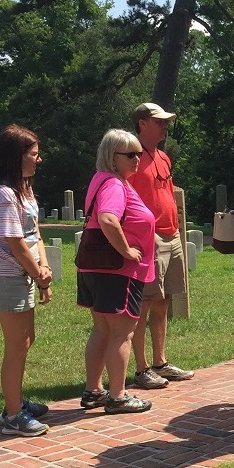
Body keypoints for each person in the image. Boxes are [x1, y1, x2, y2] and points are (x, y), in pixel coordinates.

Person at [0, 124, 53, 436]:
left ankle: (16, 401)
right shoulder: (6, 194)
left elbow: (34, 232)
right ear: (16, 157)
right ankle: (12, 416)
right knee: (16, 346)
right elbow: (14, 241)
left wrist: (44, 270)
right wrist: (39, 273)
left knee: (26, 341)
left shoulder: (24, 189)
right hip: (8, 277)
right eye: (33, 155)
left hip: (24, 276)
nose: (39, 160)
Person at [76, 129, 156, 414]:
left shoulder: (102, 180)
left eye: (139, 153)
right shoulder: (114, 184)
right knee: (123, 332)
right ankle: (118, 396)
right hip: (116, 270)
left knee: (102, 329)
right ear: (113, 157)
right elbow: (108, 218)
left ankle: (93, 390)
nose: (138, 159)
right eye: (130, 154)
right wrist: (126, 251)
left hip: (94, 267)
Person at [127, 102, 194, 389]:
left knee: (164, 300)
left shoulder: (163, 157)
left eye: (166, 121)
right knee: (144, 303)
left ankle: (160, 362)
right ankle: (141, 369)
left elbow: (166, 192)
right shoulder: (131, 158)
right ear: (142, 123)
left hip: (171, 234)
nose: (165, 126)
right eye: (159, 121)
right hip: (147, 237)